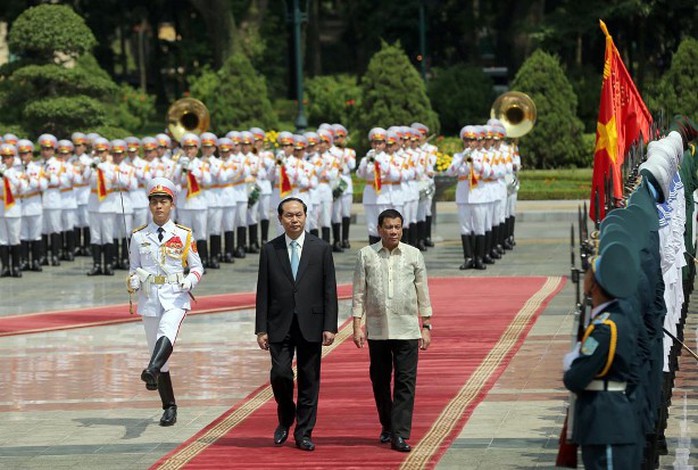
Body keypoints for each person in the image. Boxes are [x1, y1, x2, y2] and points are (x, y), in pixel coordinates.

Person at [255, 197, 338, 451]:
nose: (294, 220)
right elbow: (263, 292)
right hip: (279, 323)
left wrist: (330, 325)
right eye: (289, 215)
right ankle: (285, 416)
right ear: (280, 219)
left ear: (306, 216)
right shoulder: (271, 250)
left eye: (298, 215)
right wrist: (261, 328)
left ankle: (304, 432)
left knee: (309, 379)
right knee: (280, 374)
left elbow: (329, 290)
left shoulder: (320, 248)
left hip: (311, 323)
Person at [351, 208, 433, 453]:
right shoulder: (366, 255)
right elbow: (358, 293)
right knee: (379, 380)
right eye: (389, 227)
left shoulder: (414, 255)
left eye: (397, 227)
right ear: (379, 229)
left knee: (405, 382)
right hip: (377, 329)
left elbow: (423, 291)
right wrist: (357, 325)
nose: (394, 231)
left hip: (407, 329)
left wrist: (426, 325)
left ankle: (400, 433)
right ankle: (387, 424)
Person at [127, 177, 204, 427]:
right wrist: (133, 282)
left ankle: (151, 370)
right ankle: (169, 405)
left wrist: (189, 282)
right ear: (149, 206)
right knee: (160, 356)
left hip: (175, 295)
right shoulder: (139, 236)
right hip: (150, 297)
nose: (159, 206)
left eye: (163, 201)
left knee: (166, 332)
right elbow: (133, 268)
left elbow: (197, 267)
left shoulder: (183, 234)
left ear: (172, 204)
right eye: (155, 202)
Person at [563, 239, 641, 469]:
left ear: (594, 285)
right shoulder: (615, 318)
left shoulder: (605, 328)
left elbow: (575, 378)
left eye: (588, 273)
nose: (584, 276)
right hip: (612, 419)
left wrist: (572, 364)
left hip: (605, 424)